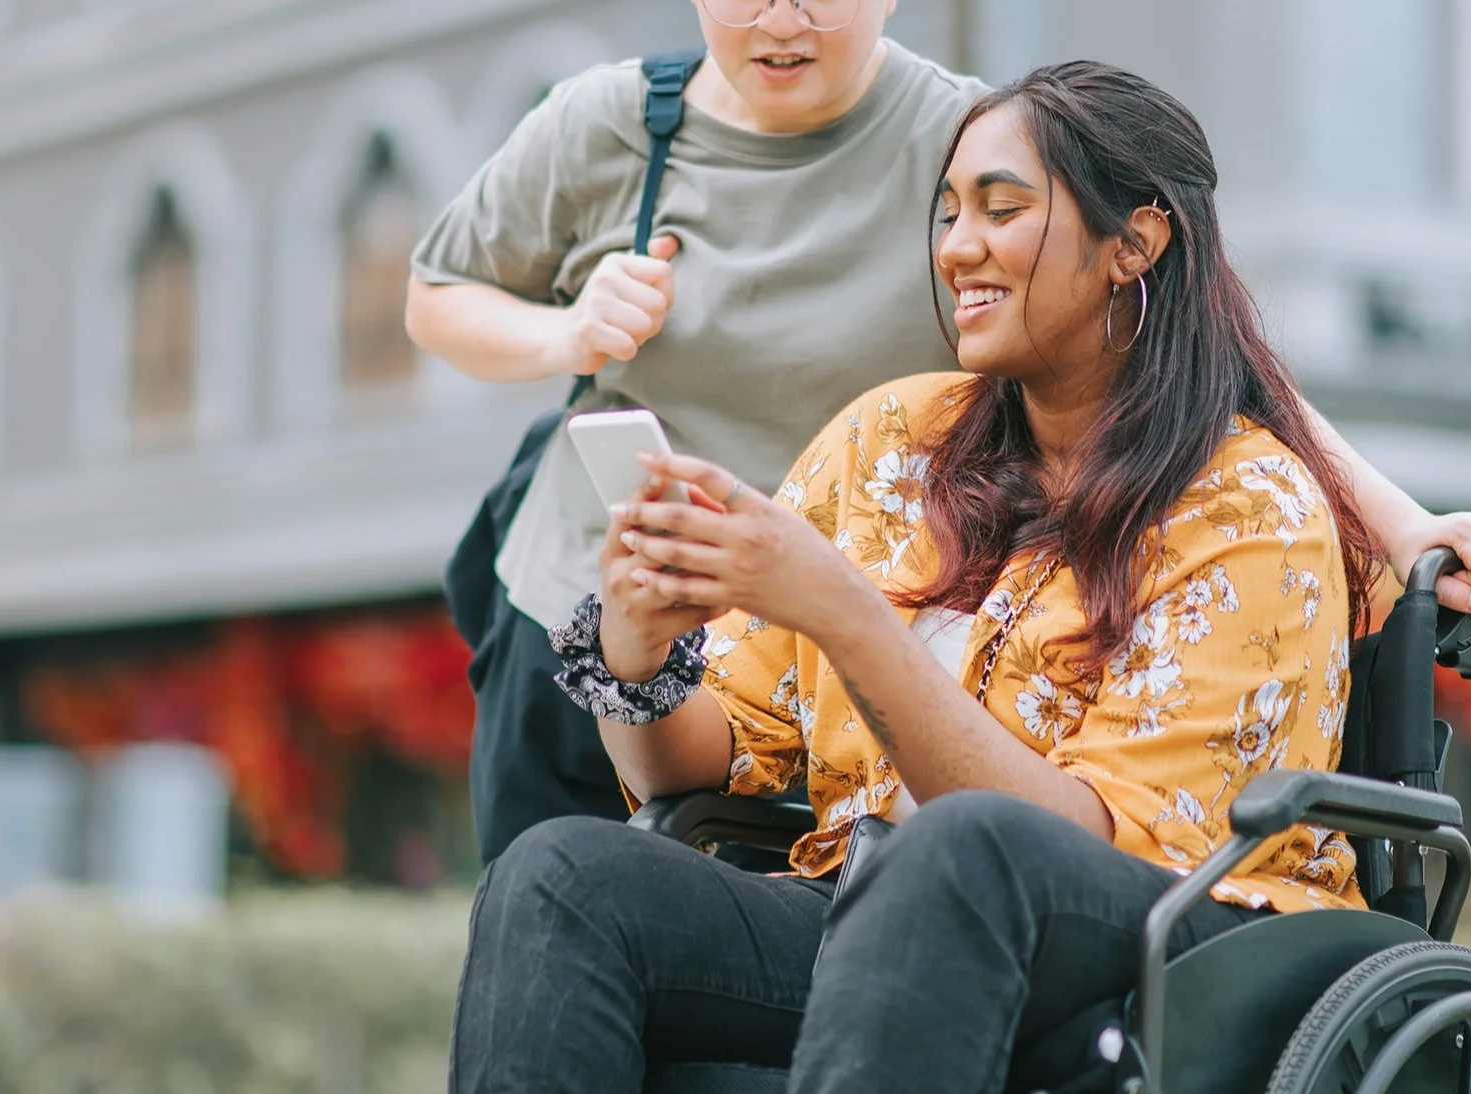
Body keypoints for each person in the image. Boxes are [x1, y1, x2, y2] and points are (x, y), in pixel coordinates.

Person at [408, 0, 1471, 865]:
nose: (780, 21)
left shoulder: (966, 152)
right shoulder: (607, 124)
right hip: (599, 601)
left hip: (816, 647)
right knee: (545, 915)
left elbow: (1191, 345)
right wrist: (570, 334)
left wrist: (1406, 526)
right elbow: (435, 296)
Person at [452, 61, 1401, 1092]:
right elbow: (693, 769)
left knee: (961, 849)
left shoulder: (1246, 507)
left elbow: (1078, 841)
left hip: (1169, 946)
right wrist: (636, 653)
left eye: (1002, 209)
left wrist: (849, 616)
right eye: (948, 213)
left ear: (1134, 242)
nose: (958, 248)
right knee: (559, 875)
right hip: (876, 917)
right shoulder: (890, 442)